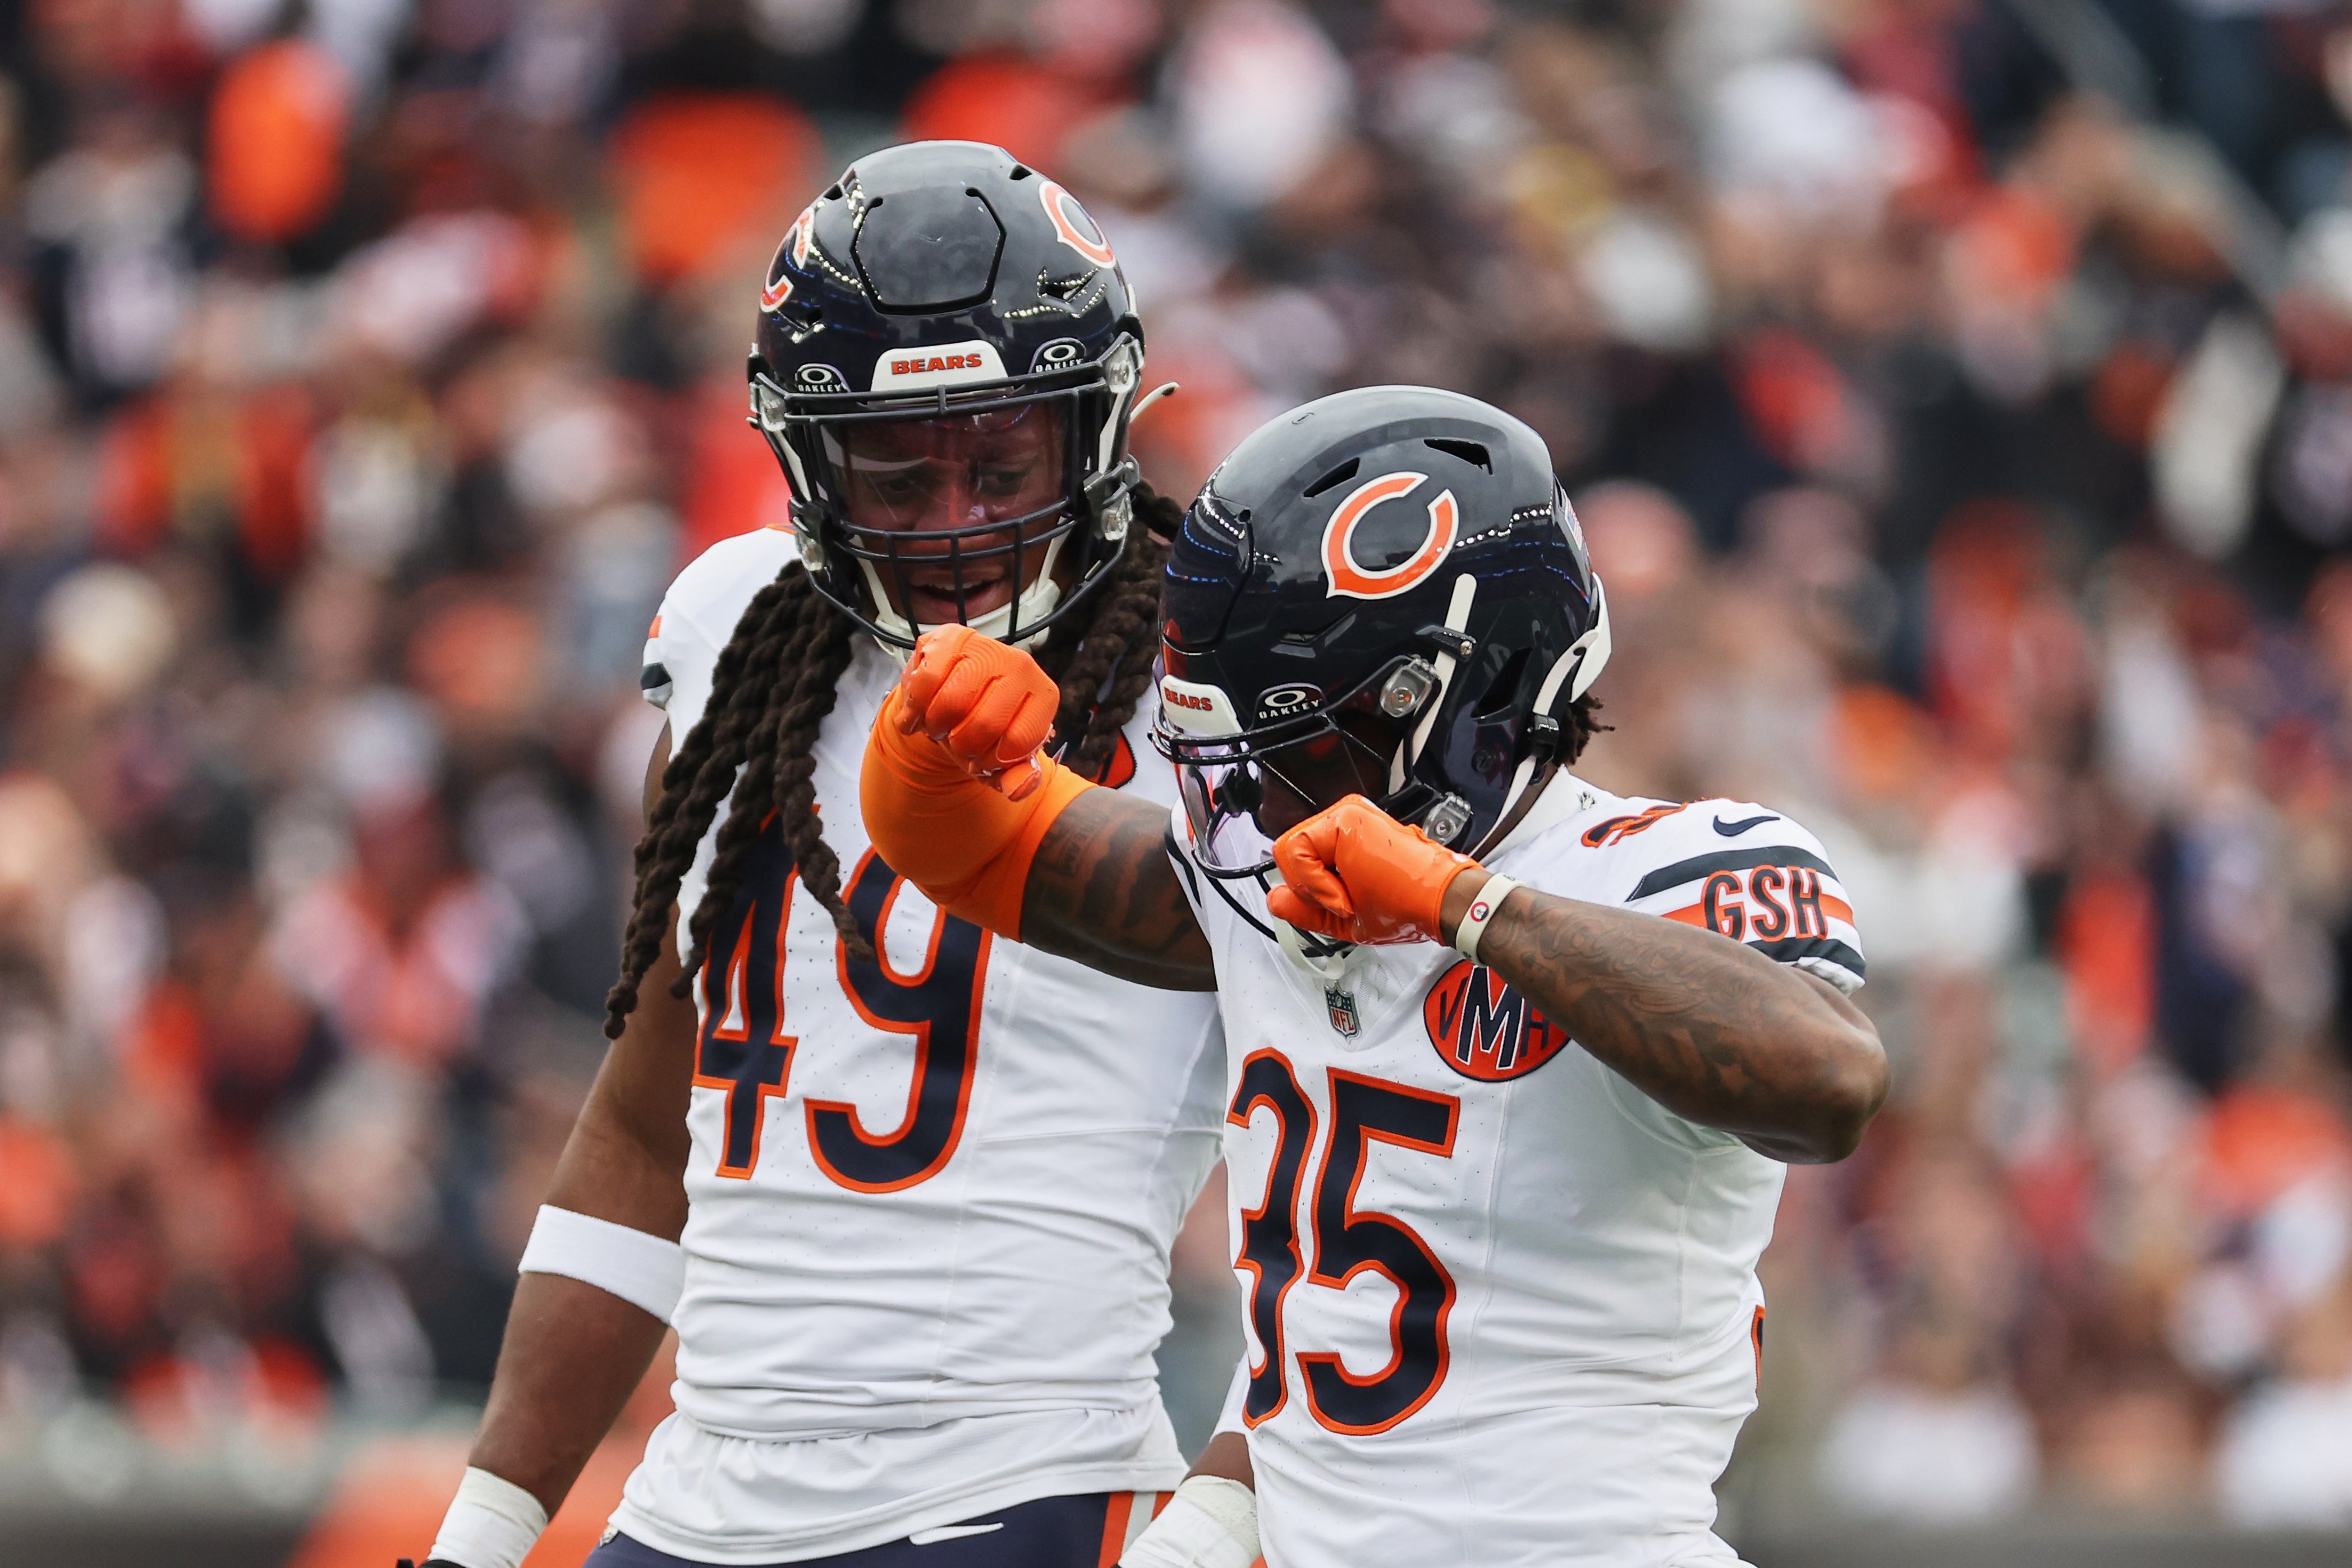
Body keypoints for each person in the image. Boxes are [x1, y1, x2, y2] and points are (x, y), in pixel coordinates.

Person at [859, 384, 1890, 1566]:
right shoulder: (1276, 888)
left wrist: (1462, 906)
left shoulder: (1663, 870)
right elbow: (993, 850)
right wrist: (929, 745)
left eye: (1297, 751)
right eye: (1227, 757)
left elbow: (1824, 1081)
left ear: (1459, 706)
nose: (1257, 804)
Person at [407, 141, 1248, 1568]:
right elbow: (641, 1126)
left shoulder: (1214, 700)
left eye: (1000, 462)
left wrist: (1216, 1520)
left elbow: (1373, 1179)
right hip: (692, 1508)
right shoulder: (738, 632)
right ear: (804, 455)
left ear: (1094, 429)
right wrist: (486, 1530)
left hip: (1027, 1488)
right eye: (897, 473)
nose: (958, 525)